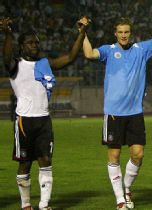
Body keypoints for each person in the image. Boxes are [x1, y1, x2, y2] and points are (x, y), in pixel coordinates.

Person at [82, 2, 152, 209]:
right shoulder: (108, 50)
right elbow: (88, 54)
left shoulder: (141, 49)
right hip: (114, 114)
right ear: (115, 33)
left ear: (131, 33)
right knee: (114, 156)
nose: (124, 35)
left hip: (135, 113)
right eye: (120, 32)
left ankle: (126, 187)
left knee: (138, 155)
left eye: (127, 32)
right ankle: (120, 200)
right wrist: (83, 32)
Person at [0, 17, 88, 210]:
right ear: (22, 46)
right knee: (25, 164)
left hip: (44, 121)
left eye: (37, 42)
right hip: (24, 121)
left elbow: (71, 57)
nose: (35, 45)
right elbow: (6, 57)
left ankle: (44, 204)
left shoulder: (45, 63)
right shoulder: (15, 64)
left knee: (46, 161)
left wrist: (81, 33)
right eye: (30, 43)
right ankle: (25, 204)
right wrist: (7, 34)